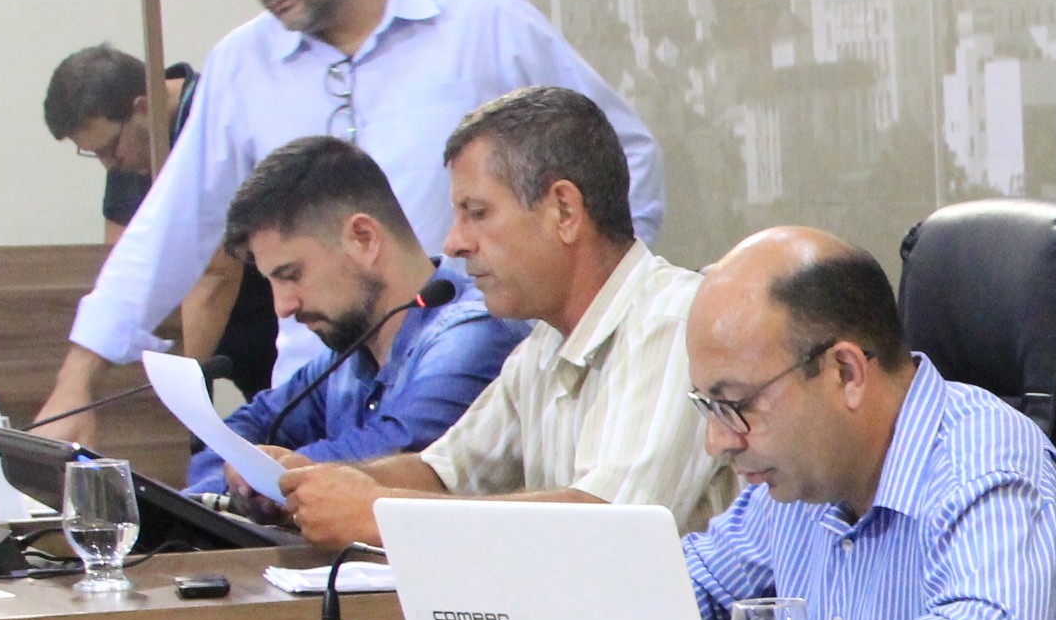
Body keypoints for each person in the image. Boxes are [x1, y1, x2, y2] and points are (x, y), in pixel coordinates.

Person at [37, 0, 660, 443]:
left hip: (486, 395)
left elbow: (622, 157)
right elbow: (170, 226)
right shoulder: (241, 66)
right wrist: (78, 379)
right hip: (317, 402)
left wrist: (589, 318)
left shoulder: (483, 24)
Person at [676, 227, 1056, 620]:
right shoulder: (797, 481)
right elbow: (689, 587)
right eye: (707, 406)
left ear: (845, 372)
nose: (718, 440)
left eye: (737, 405)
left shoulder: (985, 457)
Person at [271, 88, 728, 544]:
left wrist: (378, 517)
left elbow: (608, 528)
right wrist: (317, 483)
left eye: (477, 213)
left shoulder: (674, 323)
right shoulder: (543, 343)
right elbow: (444, 473)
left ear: (563, 211)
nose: (454, 243)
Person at [185, 136, 519, 500]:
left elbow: (398, 454)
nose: (282, 306)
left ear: (363, 239)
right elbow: (234, 438)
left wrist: (260, 477)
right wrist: (242, 478)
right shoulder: (348, 353)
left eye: (291, 274)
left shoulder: (474, 336)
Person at [42, 43, 279, 392]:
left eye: (109, 149)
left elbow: (215, 277)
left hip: (272, 325)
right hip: (193, 329)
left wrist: (164, 394)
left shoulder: (214, 117)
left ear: (143, 107)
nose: (110, 164)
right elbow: (121, 260)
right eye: (96, 155)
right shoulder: (131, 150)